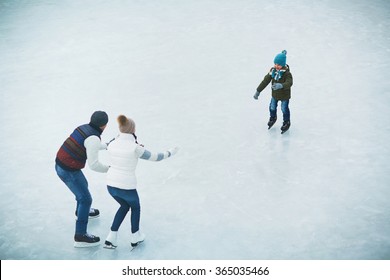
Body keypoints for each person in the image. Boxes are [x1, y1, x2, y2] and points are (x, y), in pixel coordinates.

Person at [104, 115, 179, 250]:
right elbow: (156, 157)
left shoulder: (113, 143)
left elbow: (112, 143)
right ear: (133, 130)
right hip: (126, 186)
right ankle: (135, 236)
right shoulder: (136, 148)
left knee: (124, 206)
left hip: (111, 185)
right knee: (135, 207)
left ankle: (111, 237)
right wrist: (170, 152)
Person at [55, 111, 110, 247]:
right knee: (85, 199)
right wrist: (111, 169)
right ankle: (80, 235)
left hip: (60, 164)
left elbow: (90, 145)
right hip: (68, 170)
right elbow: (94, 165)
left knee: (83, 186)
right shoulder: (93, 138)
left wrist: (107, 145)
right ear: (104, 126)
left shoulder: (83, 127)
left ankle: (80, 211)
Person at [254, 50, 293, 133]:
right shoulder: (273, 71)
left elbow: (289, 83)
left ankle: (286, 122)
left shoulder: (287, 74)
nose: (276, 66)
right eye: (275, 64)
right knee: (272, 107)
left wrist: (281, 85)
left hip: (284, 96)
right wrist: (258, 91)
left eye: (278, 64)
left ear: (283, 64)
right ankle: (273, 117)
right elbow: (265, 81)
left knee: (284, 108)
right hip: (275, 95)